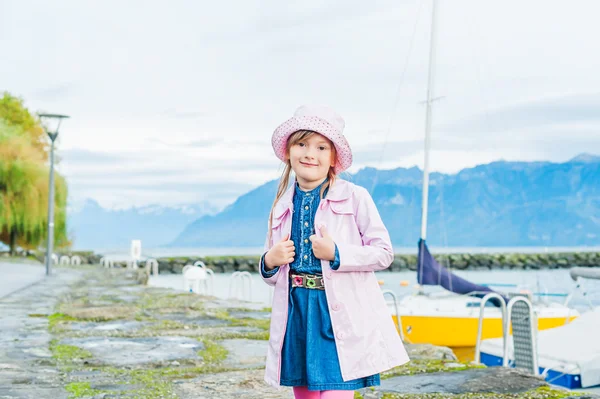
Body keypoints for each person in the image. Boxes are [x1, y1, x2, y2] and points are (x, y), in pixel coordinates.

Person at [260, 105, 410, 399]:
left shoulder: (355, 197)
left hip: (337, 312)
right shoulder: (281, 204)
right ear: (289, 151)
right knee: (304, 394)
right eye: (301, 144)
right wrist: (269, 261)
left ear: (333, 159)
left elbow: (383, 253)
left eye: (320, 147)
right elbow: (271, 274)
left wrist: (337, 252)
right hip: (297, 312)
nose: (309, 153)